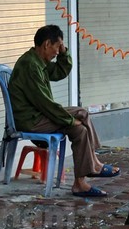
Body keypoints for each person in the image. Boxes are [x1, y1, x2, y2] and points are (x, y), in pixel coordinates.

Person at [8, 24, 120, 197]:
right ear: (47, 44)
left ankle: (87, 173)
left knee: (81, 118)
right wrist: (68, 120)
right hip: (31, 120)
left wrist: (64, 53)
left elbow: (61, 71)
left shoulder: (38, 61)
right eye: (57, 46)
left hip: (38, 115)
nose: (57, 51)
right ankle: (86, 175)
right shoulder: (30, 66)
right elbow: (45, 103)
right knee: (78, 126)